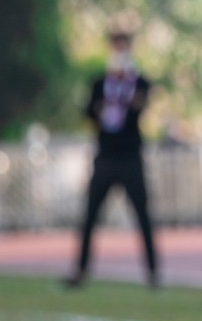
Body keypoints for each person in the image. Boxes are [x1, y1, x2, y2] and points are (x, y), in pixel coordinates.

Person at [63, 21, 159, 290]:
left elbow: (140, 110)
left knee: (142, 214)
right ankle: (80, 270)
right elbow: (88, 113)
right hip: (105, 156)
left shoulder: (139, 82)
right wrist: (100, 108)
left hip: (130, 157)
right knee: (90, 215)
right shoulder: (99, 82)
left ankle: (153, 272)